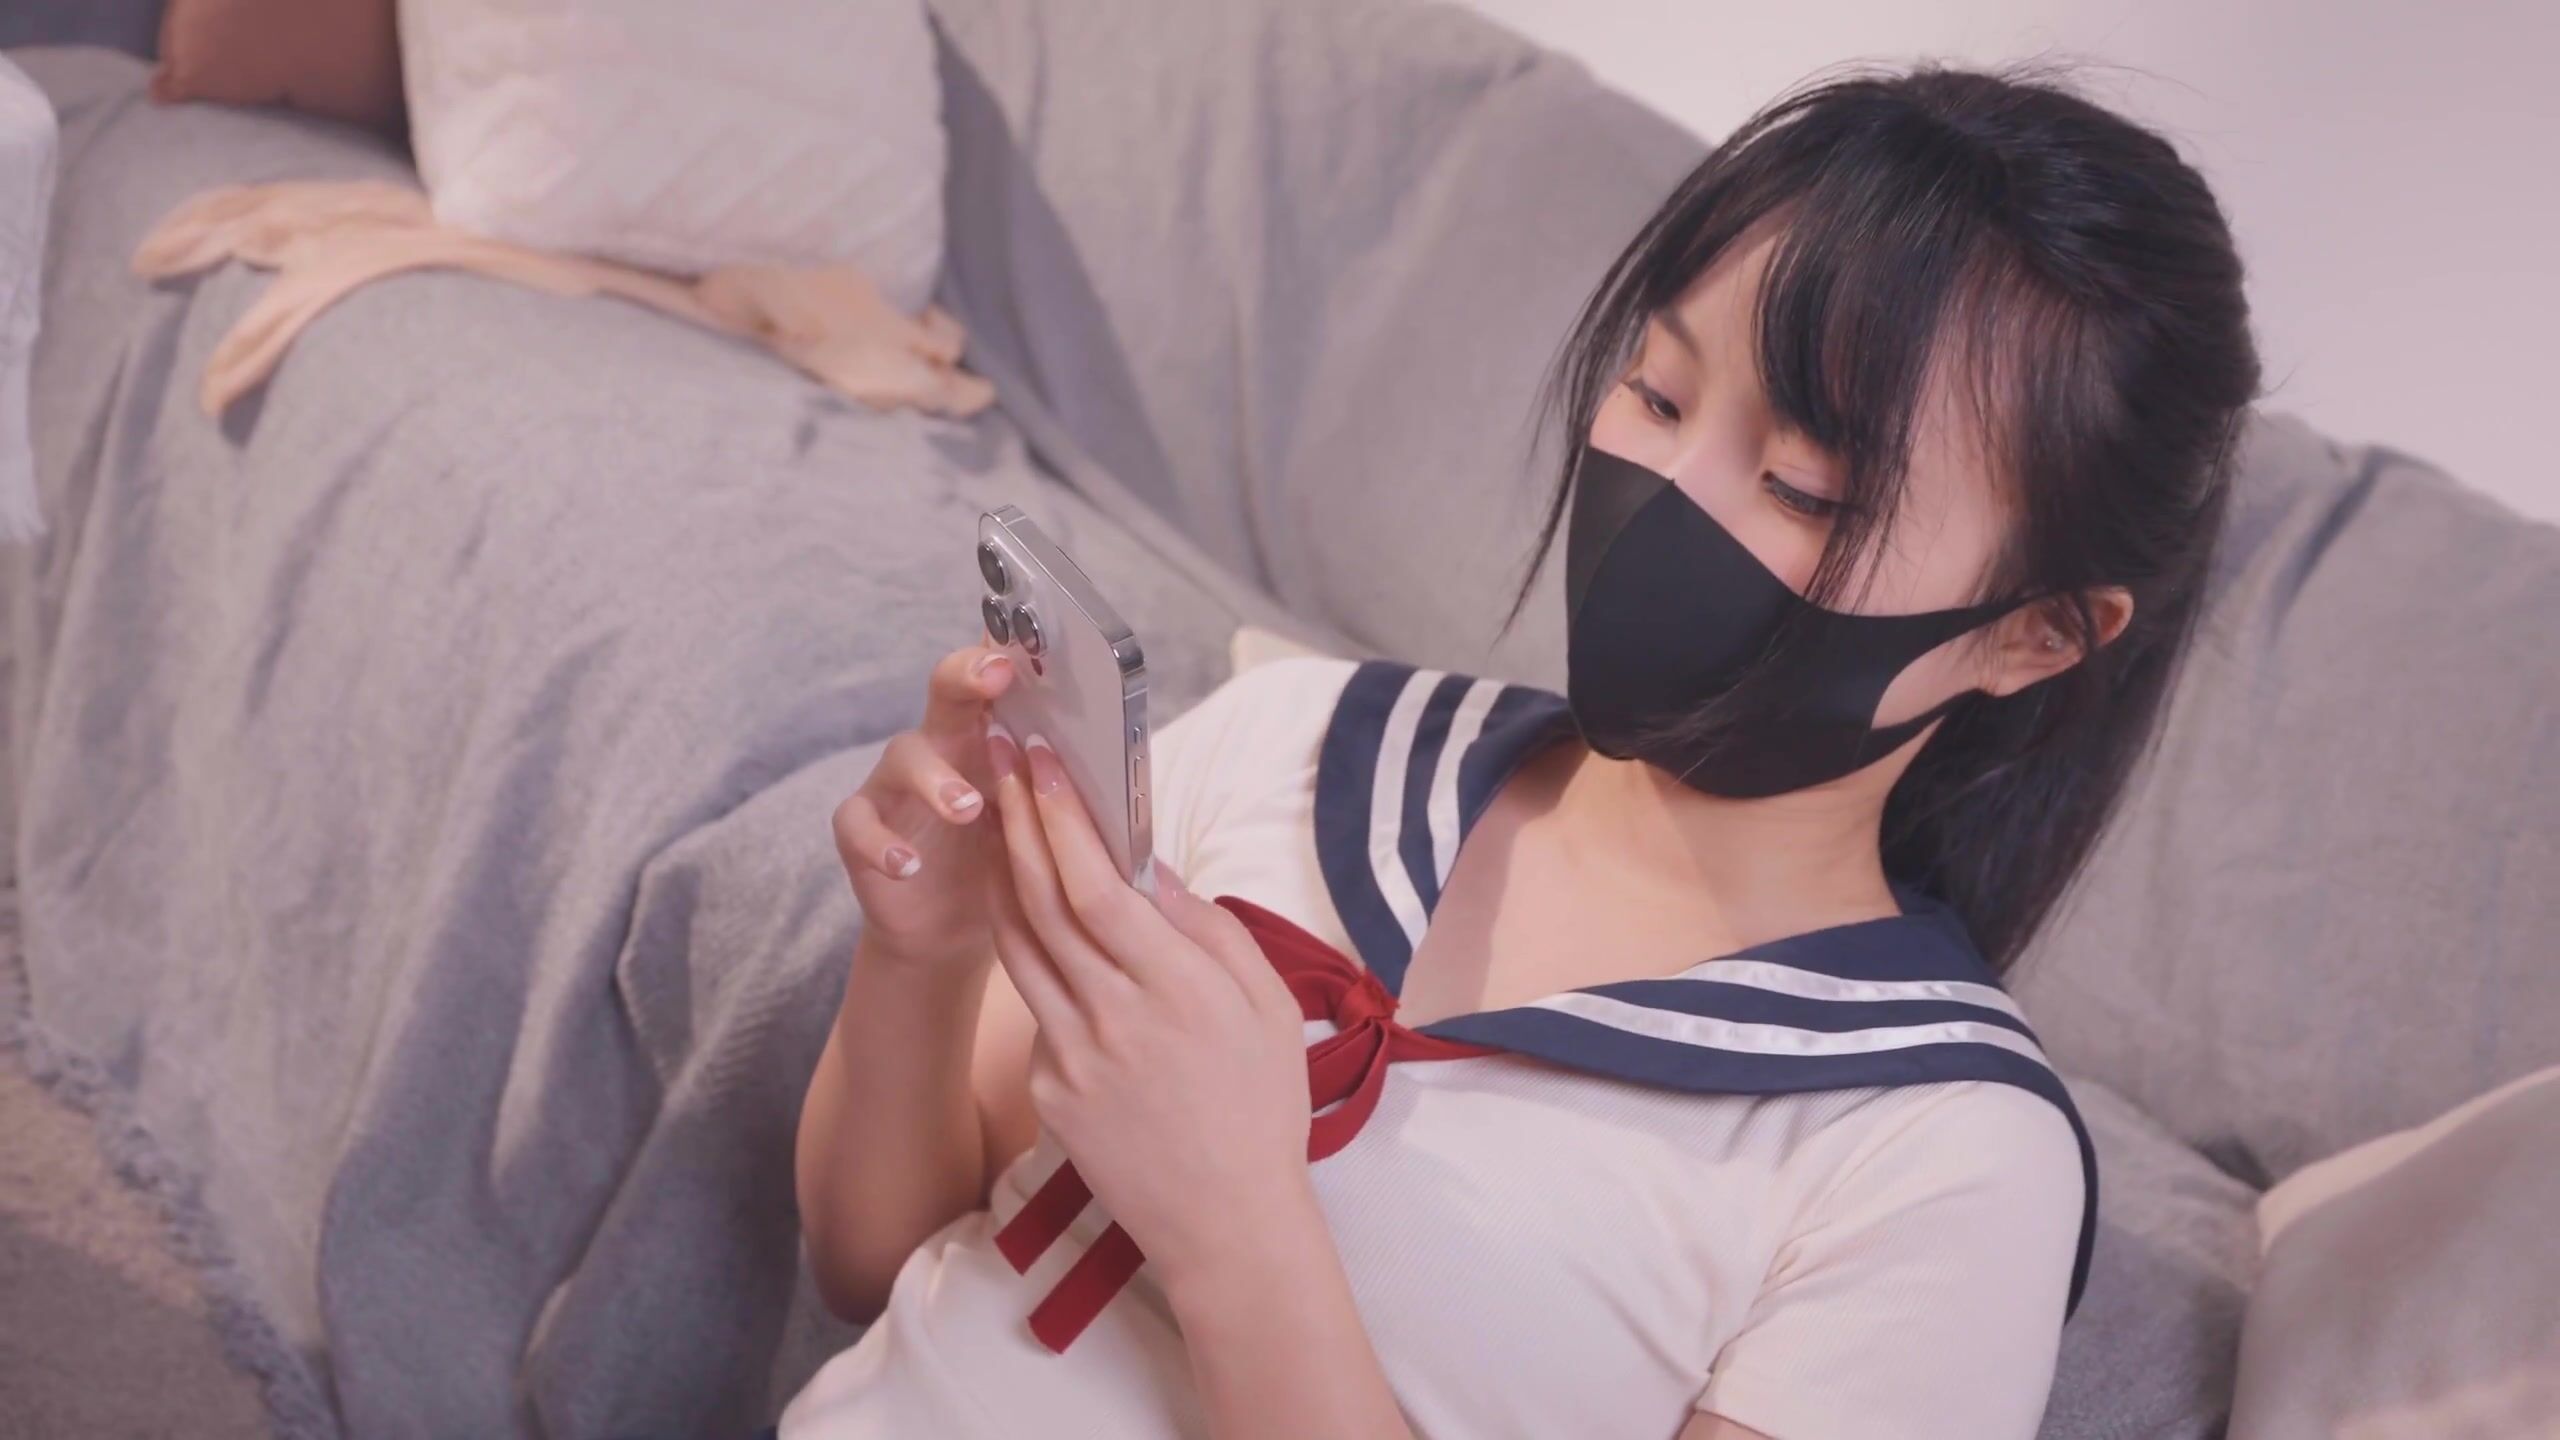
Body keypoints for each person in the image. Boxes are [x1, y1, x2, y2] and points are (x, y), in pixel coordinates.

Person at [781, 60, 2259, 1440]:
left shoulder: (1939, 1157)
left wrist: (1238, 1233)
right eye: (1658, 393)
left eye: (1807, 488)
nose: (1670, 490)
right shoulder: (1308, 739)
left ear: (2039, 634)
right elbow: (875, 1262)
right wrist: (921, 955)